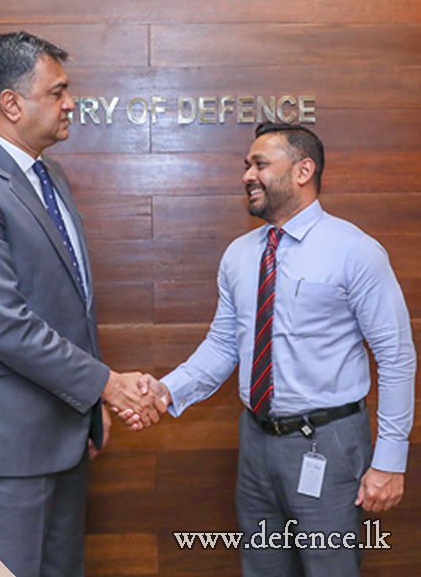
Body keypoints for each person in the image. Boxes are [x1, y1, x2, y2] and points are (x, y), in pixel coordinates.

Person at [0, 31, 163, 577]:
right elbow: (4, 325)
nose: (70, 102)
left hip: (64, 431)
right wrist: (108, 384)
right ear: (12, 103)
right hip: (4, 445)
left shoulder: (49, 175)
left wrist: (89, 409)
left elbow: (71, 306)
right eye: (57, 92)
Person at [132, 123, 415, 576]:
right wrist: (165, 391)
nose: (247, 174)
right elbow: (224, 345)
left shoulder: (355, 251)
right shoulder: (240, 255)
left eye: (260, 164)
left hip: (331, 442)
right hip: (256, 442)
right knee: (262, 567)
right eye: (247, 165)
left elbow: (397, 357)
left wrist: (389, 461)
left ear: (304, 170)